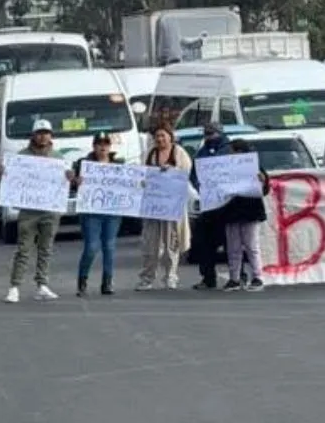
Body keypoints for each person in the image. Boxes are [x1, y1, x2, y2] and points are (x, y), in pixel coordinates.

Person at [0, 119, 70, 303]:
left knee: (46, 249)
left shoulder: (58, 158)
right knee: (23, 249)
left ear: (51, 135)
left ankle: (42, 285)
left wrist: (70, 177)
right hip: (29, 210)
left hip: (50, 210)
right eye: (39, 132)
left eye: (46, 132)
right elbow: (8, 179)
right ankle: (14, 287)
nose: (43, 136)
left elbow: (66, 181)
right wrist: (0, 173)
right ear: (33, 135)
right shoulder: (21, 157)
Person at [137, 125, 192, 291]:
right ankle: (147, 277)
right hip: (153, 205)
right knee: (150, 244)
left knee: (171, 243)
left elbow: (185, 173)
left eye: (163, 136)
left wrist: (171, 171)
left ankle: (170, 276)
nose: (160, 139)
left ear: (170, 137)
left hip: (171, 205)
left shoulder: (179, 153)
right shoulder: (149, 154)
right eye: (157, 136)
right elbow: (140, 174)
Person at [71, 132, 125, 296]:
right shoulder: (84, 163)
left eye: (106, 144)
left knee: (109, 246)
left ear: (110, 146)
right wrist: (76, 182)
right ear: (93, 146)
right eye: (99, 144)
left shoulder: (118, 164)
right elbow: (73, 184)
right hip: (91, 211)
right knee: (92, 247)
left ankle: (107, 282)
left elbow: (127, 186)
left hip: (112, 211)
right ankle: (82, 280)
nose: (102, 147)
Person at [220, 139, 270, 292]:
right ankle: (234, 278)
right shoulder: (225, 167)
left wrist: (263, 181)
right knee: (233, 247)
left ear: (241, 152)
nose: (230, 154)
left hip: (250, 210)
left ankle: (257, 276)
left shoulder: (253, 166)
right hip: (231, 211)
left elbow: (265, 189)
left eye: (233, 151)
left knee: (251, 245)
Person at [190, 122, 230, 290]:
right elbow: (194, 174)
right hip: (209, 205)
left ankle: (238, 275)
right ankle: (208, 277)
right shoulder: (202, 152)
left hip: (229, 205)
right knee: (203, 240)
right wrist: (200, 186)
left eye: (212, 133)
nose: (208, 137)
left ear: (220, 133)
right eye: (206, 134)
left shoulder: (230, 150)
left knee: (233, 243)